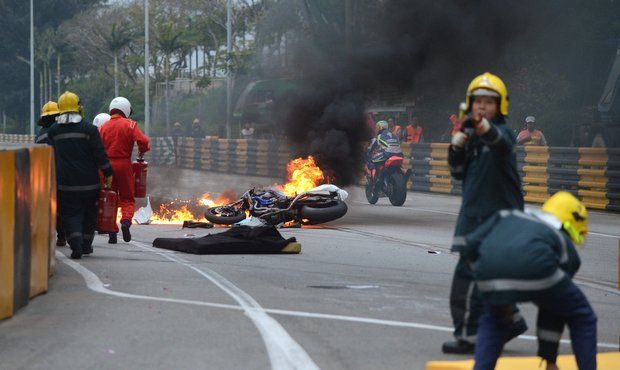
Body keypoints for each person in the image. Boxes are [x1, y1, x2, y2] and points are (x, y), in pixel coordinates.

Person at [461, 192, 596, 370]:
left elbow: (469, 245)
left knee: (495, 319)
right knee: (582, 315)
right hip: (538, 269)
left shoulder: (508, 215)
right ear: (568, 223)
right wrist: (550, 359)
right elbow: (553, 309)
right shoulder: (561, 240)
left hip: (488, 272)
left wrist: (481, 275)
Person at [444, 72, 526, 354]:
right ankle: (510, 321)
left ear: (500, 106)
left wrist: (478, 126)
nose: (482, 107)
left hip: (499, 220)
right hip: (473, 217)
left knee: (473, 279)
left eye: (489, 102)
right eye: (477, 101)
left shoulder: (504, 133)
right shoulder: (473, 140)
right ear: (469, 104)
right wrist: (457, 144)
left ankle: (469, 337)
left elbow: (499, 143)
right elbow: (457, 174)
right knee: (483, 279)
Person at [47, 91, 113, 259]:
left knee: (69, 214)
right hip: (89, 183)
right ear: (78, 108)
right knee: (89, 213)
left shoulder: (54, 131)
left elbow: (49, 156)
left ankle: (75, 242)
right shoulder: (89, 129)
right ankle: (85, 245)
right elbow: (99, 153)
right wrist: (107, 173)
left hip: (65, 183)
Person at [99, 97, 150, 244]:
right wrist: (142, 151)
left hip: (107, 167)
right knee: (127, 198)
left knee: (110, 198)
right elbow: (144, 142)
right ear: (126, 109)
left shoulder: (103, 127)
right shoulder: (130, 125)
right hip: (124, 165)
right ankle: (126, 222)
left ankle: (112, 232)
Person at [36, 101, 67, 247]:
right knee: (62, 205)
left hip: (44, 175)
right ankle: (62, 235)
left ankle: (49, 235)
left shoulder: (40, 135)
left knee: (48, 207)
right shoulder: (62, 132)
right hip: (61, 173)